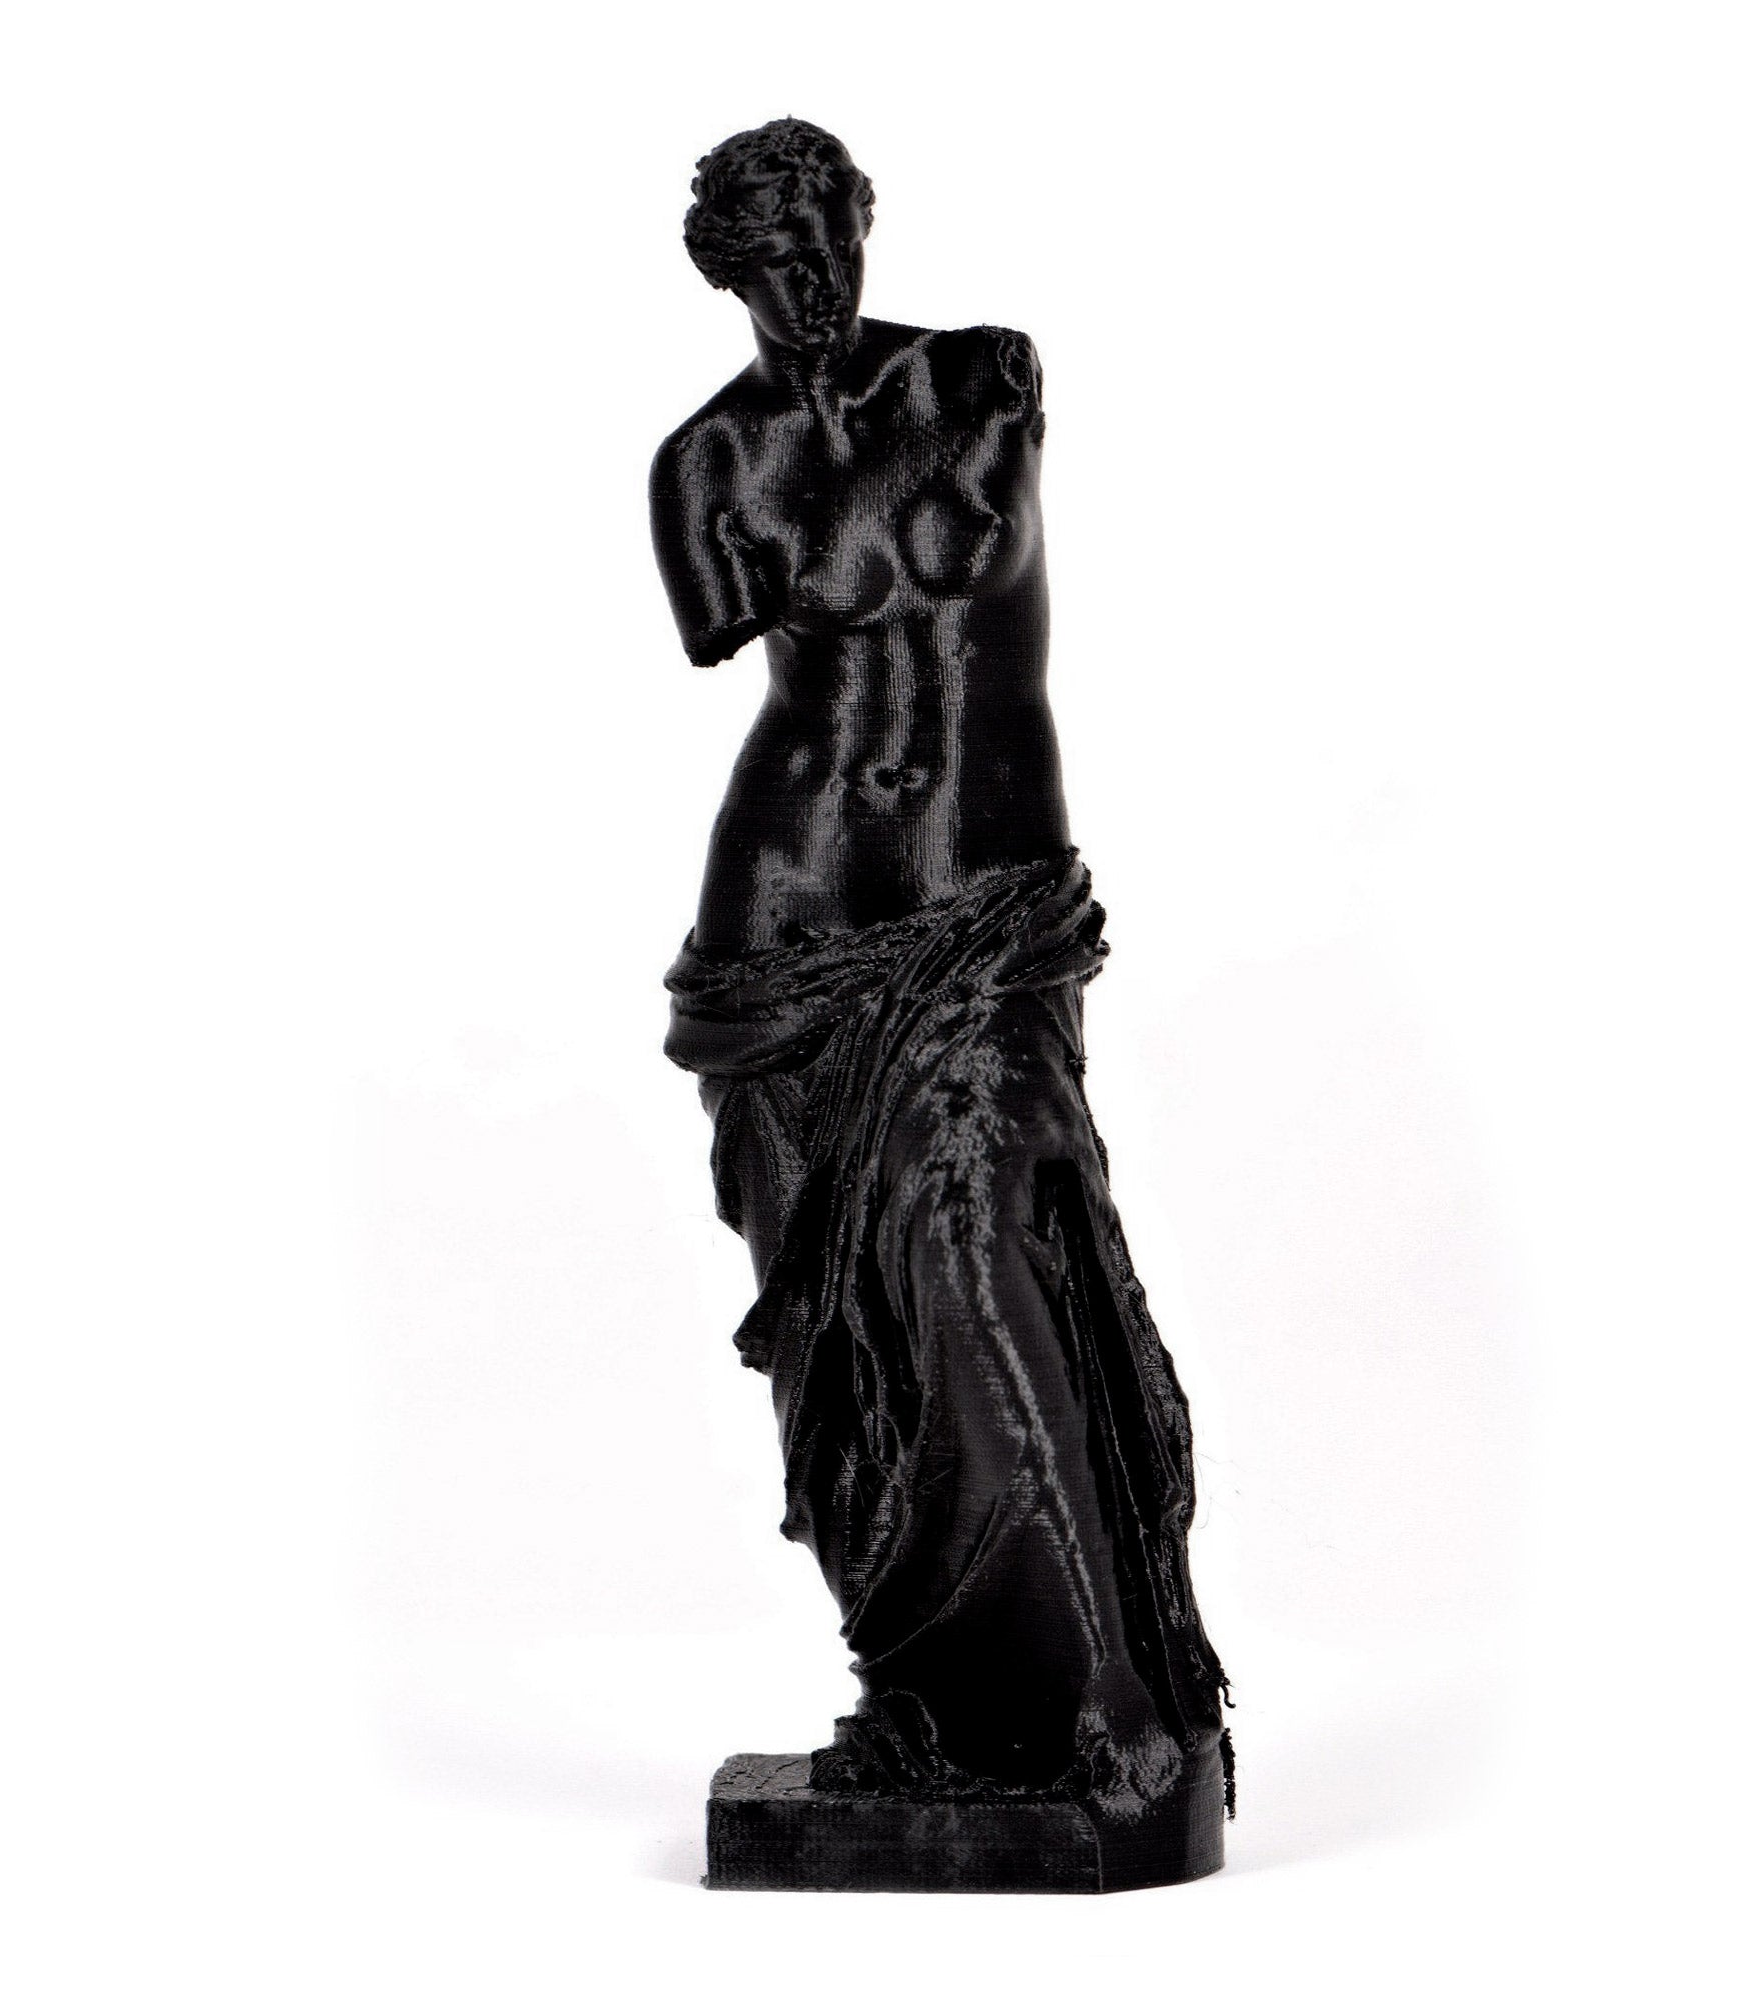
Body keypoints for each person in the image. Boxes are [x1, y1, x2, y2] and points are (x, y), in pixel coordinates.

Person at [652, 119, 1229, 1849]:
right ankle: (937, 1689)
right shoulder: (705, 462)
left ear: (864, 221)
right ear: (727, 276)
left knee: (983, 1258)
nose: (813, 275)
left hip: (982, 908)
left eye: (829, 231)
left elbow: (952, 578)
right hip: (790, 918)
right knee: (853, 1330)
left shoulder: (983, 375)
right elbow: (737, 647)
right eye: (775, 257)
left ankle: (1111, 1698)